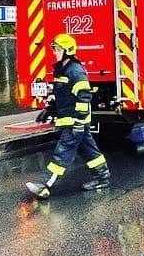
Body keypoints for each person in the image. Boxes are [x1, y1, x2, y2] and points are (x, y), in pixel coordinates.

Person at [26, 33, 111, 198]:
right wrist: (50, 108)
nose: (55, 52)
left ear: (67, 51)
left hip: (75, 121)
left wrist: (79, 121)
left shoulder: (75, 70)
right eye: (54, 49)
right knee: (89, 150)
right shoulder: (63, 70)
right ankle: (102, 177)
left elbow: (84, 96)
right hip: (72, 120)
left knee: (63, 152)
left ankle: (44, 185)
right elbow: (63, 95)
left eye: (58, 50)